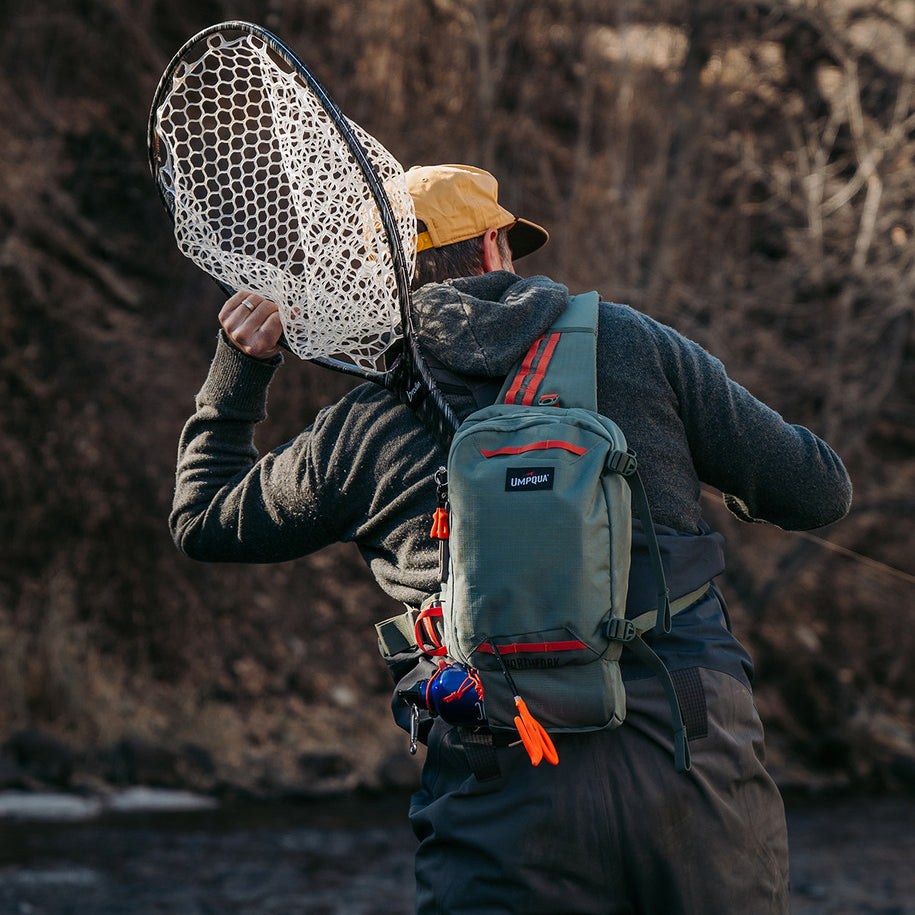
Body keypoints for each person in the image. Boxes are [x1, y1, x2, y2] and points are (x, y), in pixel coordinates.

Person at [171, 163, 852, 914]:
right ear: (495, 246)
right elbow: (818, 490)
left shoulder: (358, 426)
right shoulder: (631, 343)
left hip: (499, 778)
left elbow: (202, 519)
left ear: (378, 280)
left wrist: (239, 369)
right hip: (689, 750)